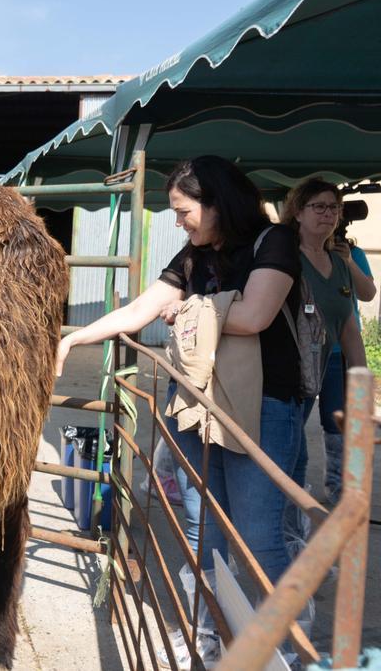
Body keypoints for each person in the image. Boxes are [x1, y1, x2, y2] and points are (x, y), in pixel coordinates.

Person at [55, 155, 303, 669]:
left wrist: (189, 309)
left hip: (261, 408)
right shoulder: (193, 253)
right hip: (195, 405)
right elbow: (141, 309)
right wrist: (76, 336)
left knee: (257, 538)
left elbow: (256, 316)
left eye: (184, 210)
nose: (179, 222)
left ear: (218, 204)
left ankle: (280, 653)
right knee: (200, 529)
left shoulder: (272, 243)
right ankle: (206, 637)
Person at [282, 178, 371, 505]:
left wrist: (363, 387)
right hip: (291, 369)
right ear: (298, 211)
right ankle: (285, 514)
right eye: (318, 206)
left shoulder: (342, 260)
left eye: (333, 208)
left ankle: (337, 492)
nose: (328, 214)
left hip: (332, 359)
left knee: (336, 426)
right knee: (291, 446)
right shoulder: (285, 256)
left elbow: (353, 317)